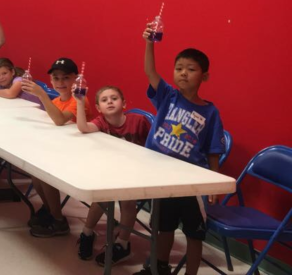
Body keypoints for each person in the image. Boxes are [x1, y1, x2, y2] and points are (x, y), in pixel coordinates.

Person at [133, 35, 224, 275]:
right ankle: (159, 266)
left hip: (190, 182)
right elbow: (150, 71)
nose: (183, 73)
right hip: (162, 177)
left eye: (191, 69)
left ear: (204, 77)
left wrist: (214, 183)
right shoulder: (167, 96)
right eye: (179, 68)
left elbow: (213, 150)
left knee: (194, 233)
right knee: (163, 226)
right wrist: (150, 43)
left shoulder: (210, 112)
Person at [75, 86, 151, 266]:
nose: (110, 101)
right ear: (99, 108)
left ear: (124, 103)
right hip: (111, 171)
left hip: (136, 172)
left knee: (127, 202)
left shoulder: (138, 121)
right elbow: (83, 127)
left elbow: (153, 146)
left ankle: (122, 243)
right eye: (104, 100)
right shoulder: (102, 122)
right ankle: (87, 233)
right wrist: (79, 102)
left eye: (114, 98)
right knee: (101, 197)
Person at [21, 58, 91, 237]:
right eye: (56, 78)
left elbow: (59, 120)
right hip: (62, 149)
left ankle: (59, 220)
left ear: (76, 79)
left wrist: (42, 95)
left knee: (45, 172)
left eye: (65, 78)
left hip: (80, 154)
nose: (60, 83)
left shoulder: (80, 100)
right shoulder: (58, 101)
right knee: (35, 171)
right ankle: (50, 210)